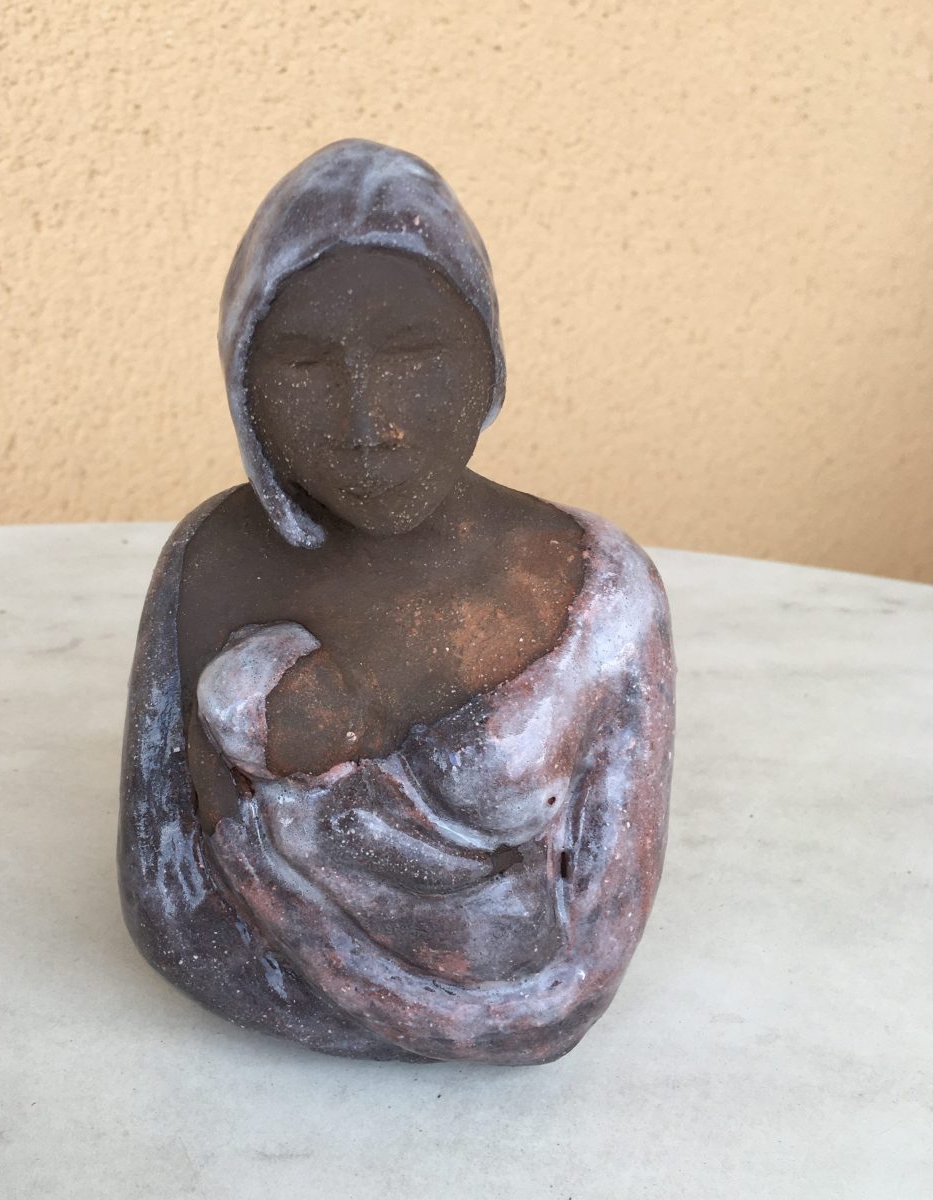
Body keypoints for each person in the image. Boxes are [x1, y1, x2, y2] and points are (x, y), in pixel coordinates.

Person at [118, 139, 675, 1063]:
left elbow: (586, 966)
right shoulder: (209, 560)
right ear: (242, 381)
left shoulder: (599, 587)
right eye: (305, 366)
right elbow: (172, 912)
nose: (368, 423)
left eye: (416, 355)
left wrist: (321, 950)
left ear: (488, 361)